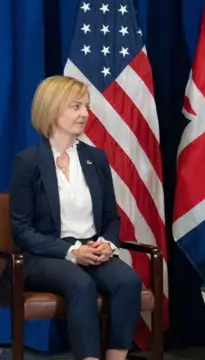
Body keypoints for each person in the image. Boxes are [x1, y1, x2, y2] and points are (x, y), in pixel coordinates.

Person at [8, 75, 142, 360]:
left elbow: (110, 216)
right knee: (80, 284)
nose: (85, 114)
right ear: (53, 109)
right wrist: (71, 251)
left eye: (86, 106)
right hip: (45, 255)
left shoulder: (97, 158)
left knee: (128, 281)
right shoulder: (28, 162)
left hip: (92, 249)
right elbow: (22, 230)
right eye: (76, 106)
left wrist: (107, 243)